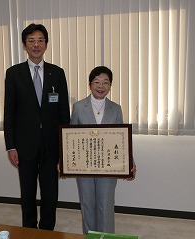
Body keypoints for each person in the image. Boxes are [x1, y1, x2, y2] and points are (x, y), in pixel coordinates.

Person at [3, 23, 70, 230]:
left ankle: (47, 232)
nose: (36, 44)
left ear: (46, 44)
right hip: (25, 146)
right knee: (28, 195)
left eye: (40, 40)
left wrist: (64, 148)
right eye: (31, 40)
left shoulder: (57, 73)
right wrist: (11, 146)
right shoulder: (14, 73)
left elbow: (63, 113)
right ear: (25, 45)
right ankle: (29, 232)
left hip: (51, 146)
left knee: (51, 195)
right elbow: (9, 113)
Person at [70, 66, 136, 234]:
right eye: (97, 82)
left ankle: (106, 238)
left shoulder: (116, 108)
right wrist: (63, 161)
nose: (101, 86)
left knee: (105, 206)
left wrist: (130, 162)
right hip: (84, 167)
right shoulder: (78, 107)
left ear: (110, 85)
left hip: (108, 166)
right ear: (90, 84)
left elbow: (122, 139)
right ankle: (90, 237)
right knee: (87, 205)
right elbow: (70, 137)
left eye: (105, 82)